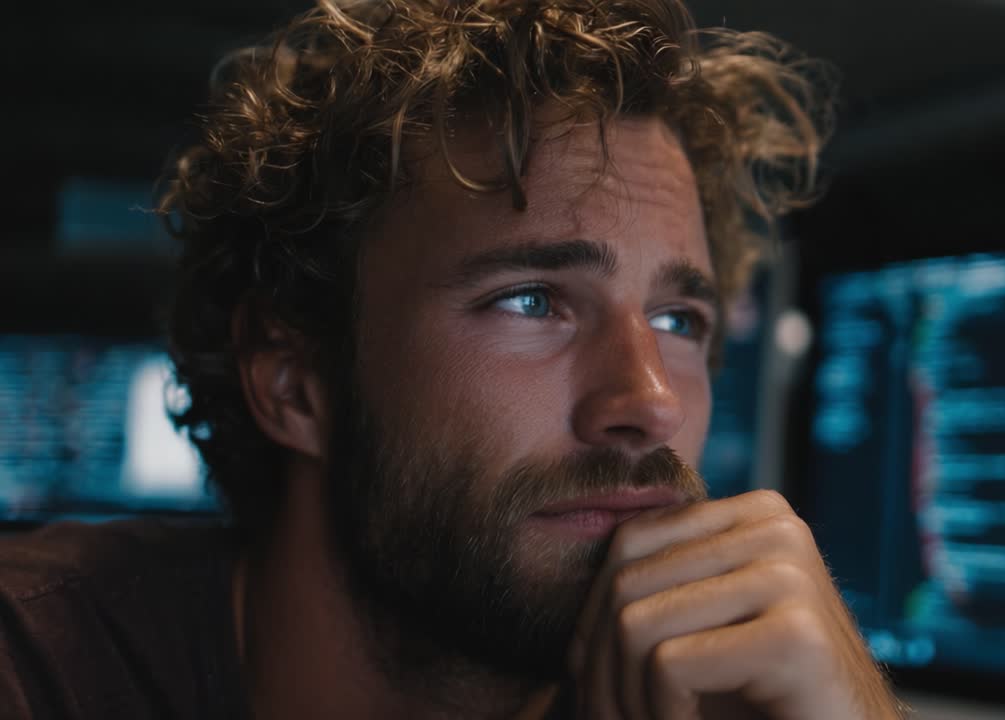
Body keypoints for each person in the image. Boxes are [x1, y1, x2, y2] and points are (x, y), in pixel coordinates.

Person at [0, 1, 903, 717]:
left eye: (678, 319)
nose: (651, 401)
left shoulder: (725, 696)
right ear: (293, 381)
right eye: (532, 300)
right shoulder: (43, 665)